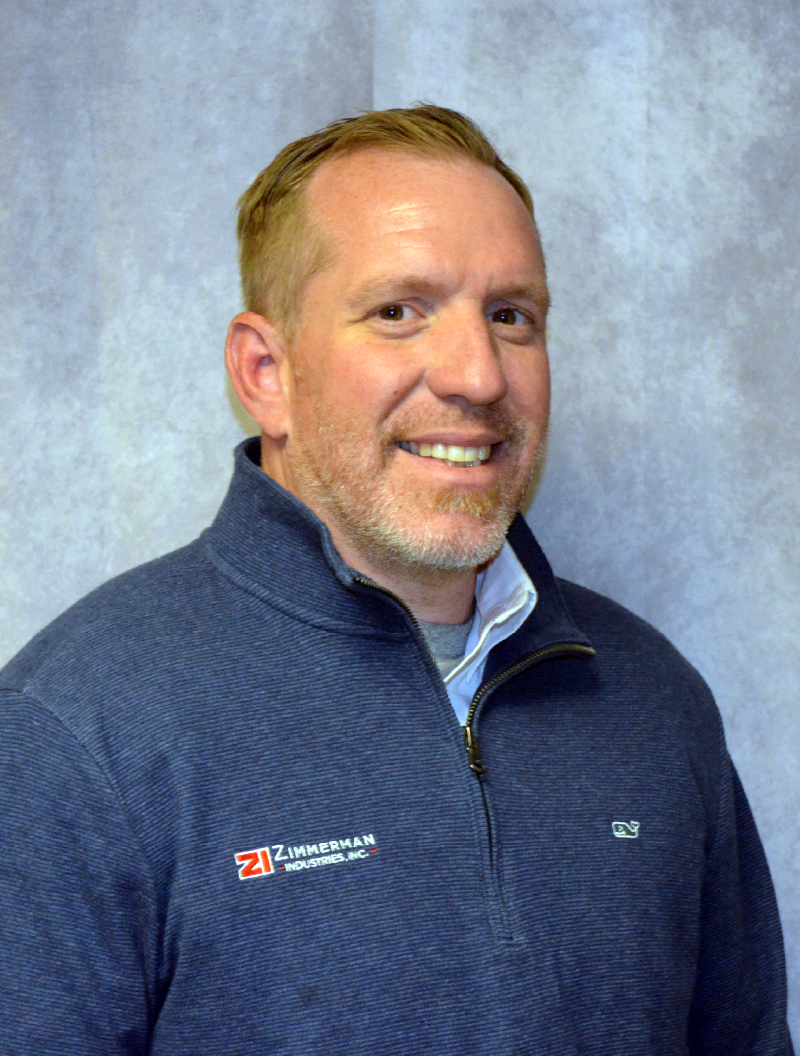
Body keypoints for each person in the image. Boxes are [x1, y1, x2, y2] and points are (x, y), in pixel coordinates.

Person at [0, 105, 793, 1055]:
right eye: (398, 312)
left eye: (511, 316)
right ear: (266, 372)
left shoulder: (651, 697)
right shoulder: (78, 729)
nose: (478, 376)